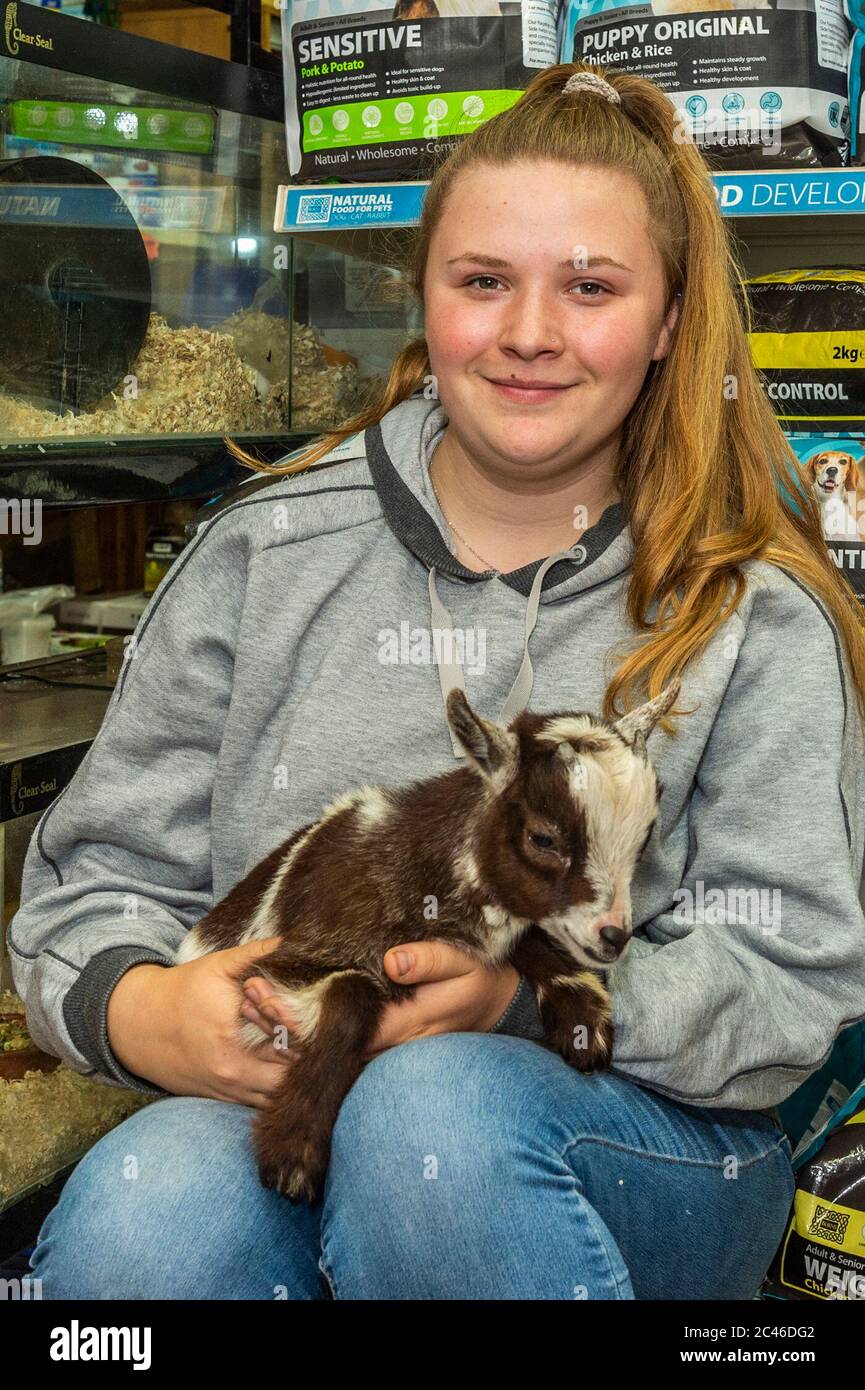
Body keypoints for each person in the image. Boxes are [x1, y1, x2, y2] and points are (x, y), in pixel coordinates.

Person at [10, 61, 865, 1301]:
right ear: (424, 297)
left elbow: (792, 979)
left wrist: (523, 999)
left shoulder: (749, 610)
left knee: (433, 1117)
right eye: (482, 282)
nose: (528, 332)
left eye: (590, 286)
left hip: (639, 1143)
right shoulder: (262, 551)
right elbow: (97, 883)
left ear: (672, 321)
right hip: (290, 1081)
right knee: (153, 1213)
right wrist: (142, 1009)